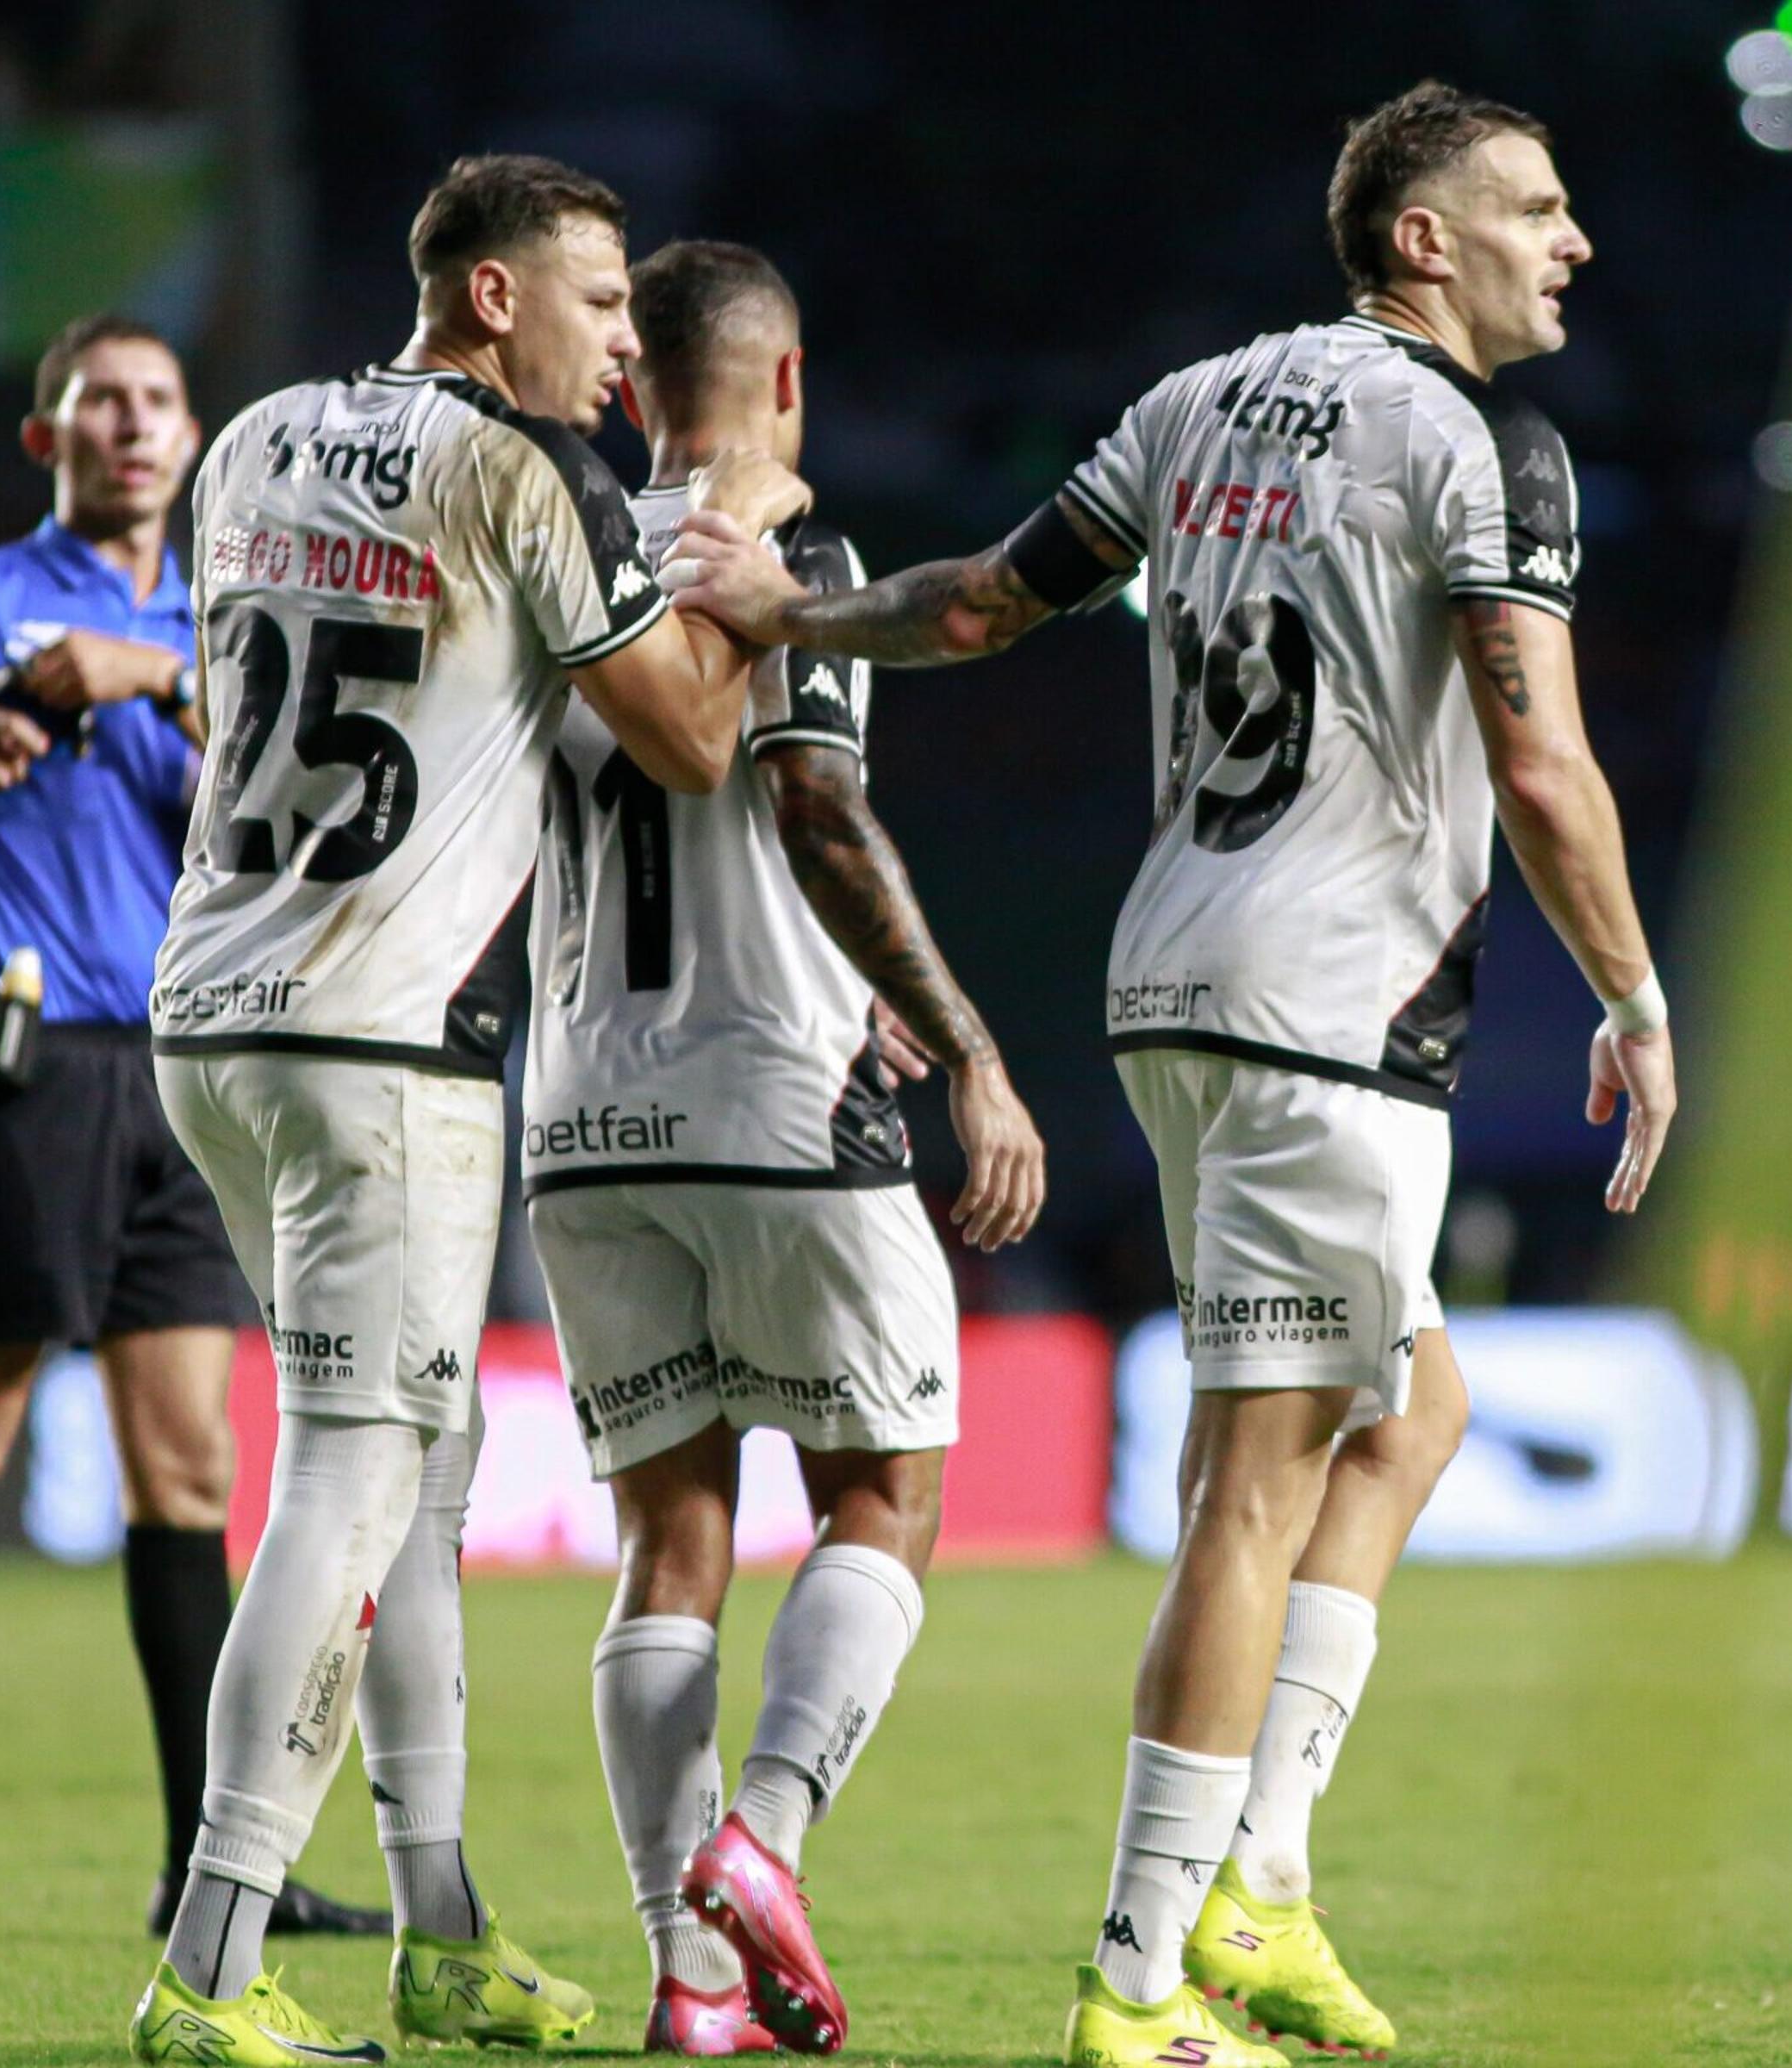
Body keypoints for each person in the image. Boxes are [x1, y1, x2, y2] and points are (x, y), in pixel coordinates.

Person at [664, 79, 1677, 2068]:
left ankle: (1266, 1880)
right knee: (1254, 1481)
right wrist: (1635, 1000)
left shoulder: (1189, 402)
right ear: (1419, 240)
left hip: (1178, 971)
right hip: (1327, 1005)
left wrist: (798, 612)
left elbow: (972, 604)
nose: (1569, 244)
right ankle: (1141, 1976)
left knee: (1414, 1405)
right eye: (1534, 211)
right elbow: (1539, 756)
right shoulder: (1481, 443)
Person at [128, 154, 796, 2066]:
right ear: (493, 299)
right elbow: (686, 736)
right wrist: (736, 525)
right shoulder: (525, 473)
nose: (623, 347)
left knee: (411, 1476)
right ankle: (210, 1958)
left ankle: (439, 1928)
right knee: (349, 1470)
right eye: (598, 304)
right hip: (378, 1045)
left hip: (216, 1013)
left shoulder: (251, 440)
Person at [538, 238, 1046, 2059]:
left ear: (630, 378)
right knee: (884, 1499)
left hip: (582, 1112)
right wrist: (972, 1044)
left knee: (667, 1544)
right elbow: (815, 807)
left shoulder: (558, 554)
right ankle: (764, 1842)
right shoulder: (788, 564)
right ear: (792, 383)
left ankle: (685, 1994)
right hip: (778, 1099)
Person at [0, 315, 386, 1946]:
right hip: (29, 1062)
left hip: (193, 1075)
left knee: (188, 1465)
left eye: (156, 403)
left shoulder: (231, 616)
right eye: (100, 404)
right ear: (45, 440)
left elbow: (319, 770)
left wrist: (159, 678)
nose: (133, 428)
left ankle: (217, 1871)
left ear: (195, 433)